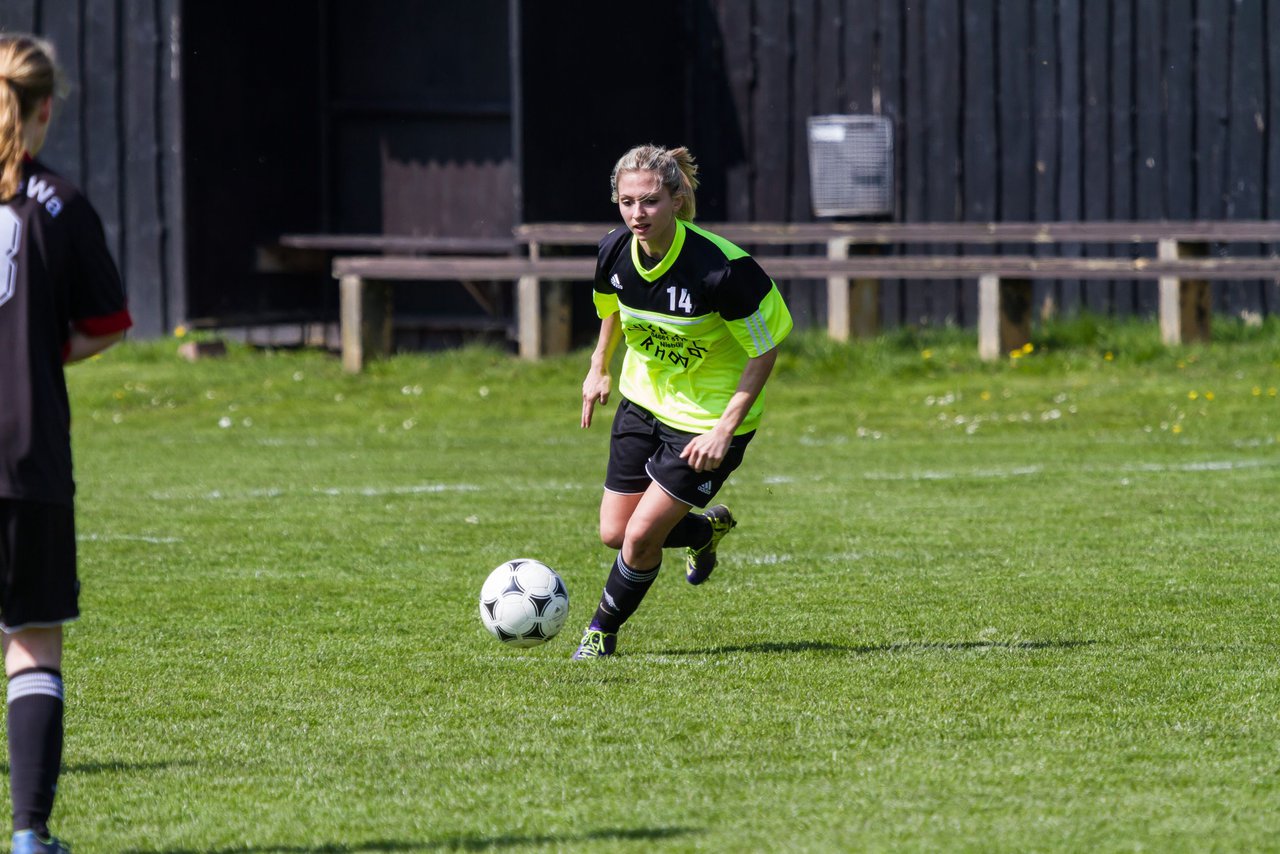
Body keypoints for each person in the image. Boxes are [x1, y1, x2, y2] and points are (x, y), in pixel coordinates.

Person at [574, 144, 792, 659]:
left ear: (675, 198)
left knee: (641, 538)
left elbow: (765, 352)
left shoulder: (723, 269)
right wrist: (598, 366)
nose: (637, 214)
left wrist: (722, 431)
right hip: (642, 402)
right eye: (627, 202)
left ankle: (599, 632)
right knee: (614, 531)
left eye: (648, 202)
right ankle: (704, 528)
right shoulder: (613, 250)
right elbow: (613, 304)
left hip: (706, 422)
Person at [0, 35, 132, 853]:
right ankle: (27, 836)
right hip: (26, 452)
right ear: (49, 107)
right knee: (31, 639)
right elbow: (106, 327)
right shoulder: (61, 201)